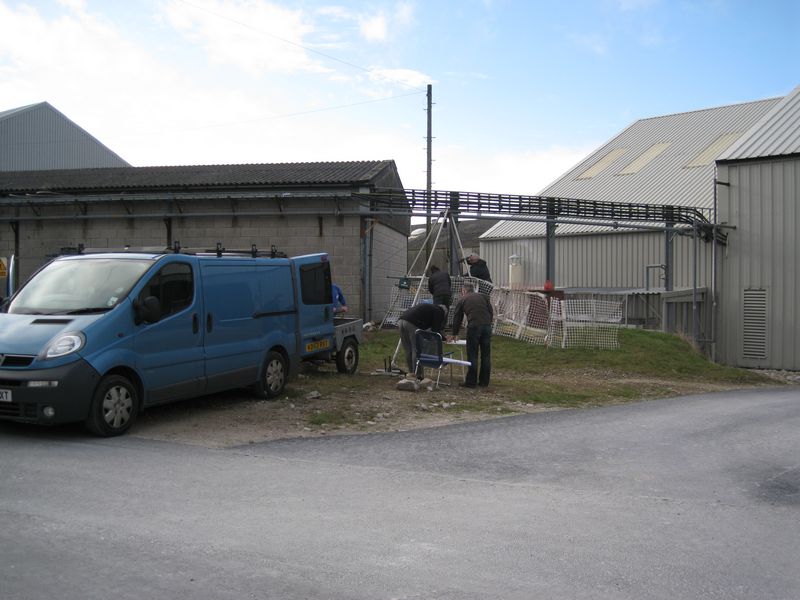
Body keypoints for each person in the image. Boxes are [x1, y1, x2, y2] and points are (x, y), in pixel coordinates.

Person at [449, 281, 493, 388]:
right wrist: (488, 323)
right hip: (487, 326)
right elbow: (490, 311)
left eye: (461, 291)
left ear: (464, 290)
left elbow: (457, 317)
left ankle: (471, 381)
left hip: (474, 326)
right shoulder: (483, 296)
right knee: (486, 355)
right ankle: (484, 382)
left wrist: (455, 333)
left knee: (472, 354)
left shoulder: (463, 300)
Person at [397, 302, 449, 377]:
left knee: (408, 349)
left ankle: (411, 372)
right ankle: (418, 375)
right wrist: (444, 338)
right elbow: (436, 331)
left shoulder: (431, 308)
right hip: (412, 323)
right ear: (444, 313)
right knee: (416, 349)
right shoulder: (439, 312)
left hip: (401, 320)